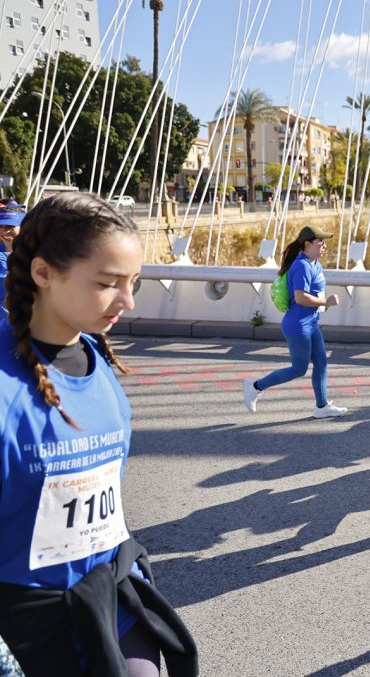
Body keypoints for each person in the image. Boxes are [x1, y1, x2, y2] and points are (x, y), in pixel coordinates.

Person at [0, 193, 197, 676]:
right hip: (26, 624)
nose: (127, 302)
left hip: (110, 595)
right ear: (44, 273)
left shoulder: (97, 357)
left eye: (133, 283)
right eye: (107, 284)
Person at [243, 225, 347, 418]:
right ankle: (255, 386)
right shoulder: (302, 266)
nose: (324, 246)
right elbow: (300, 297)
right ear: (307, 244)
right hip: (298, 326)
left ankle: (322, 406)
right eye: (320, 243)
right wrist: (327, 302)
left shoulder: (314, 263)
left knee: (321, 362)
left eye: (324, 242)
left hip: (310, 322)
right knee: (299, 369)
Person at [0, 206, 24, 310]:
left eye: (10, 226)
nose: (5, 231)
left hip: (24, 319)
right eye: (1, 226)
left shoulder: (34, 254)